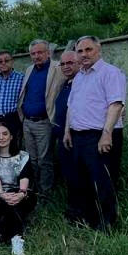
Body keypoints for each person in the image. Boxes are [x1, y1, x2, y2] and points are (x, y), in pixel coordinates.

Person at [63, 35, 126, 231]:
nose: (84, 54)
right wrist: (67, 131)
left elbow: (116, 104)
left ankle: (106, 224)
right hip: (78, 136)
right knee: (81, 180)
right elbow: (71, 106)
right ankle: (86, 219)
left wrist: (106, 134)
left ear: (99, 49)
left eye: (88, 49)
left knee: (103, 181)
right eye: (80, 51)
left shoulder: (111, 73)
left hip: (100, 135)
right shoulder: (79, 76)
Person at [17, 39, 65, 198]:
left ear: (48, 52)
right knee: (32, 159)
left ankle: (45, 194)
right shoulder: (29, 69)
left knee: (44, 160)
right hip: (27, 122)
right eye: (33, 53)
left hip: (44, 122)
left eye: (39, 52)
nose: (36, 56)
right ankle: (35, 191)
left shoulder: (58, 68)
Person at [0, 122, 35, 255]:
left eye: (5, 133)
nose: (1, 137)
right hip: (1, 193)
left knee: (15, 204)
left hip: (23, 193)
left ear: (11, 136)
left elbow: (24, 177)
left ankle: (17, 239)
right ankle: (9, 235)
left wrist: (20, 194)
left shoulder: (23, 155)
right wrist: (2, 194)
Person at [51, 51, 81, 190]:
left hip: (76, 137)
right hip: (63, 136)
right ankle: (72, 205)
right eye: (62, 64)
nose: (66, 67)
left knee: (77, 172)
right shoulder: (65, 83)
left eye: (69, 63)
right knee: (68, 170)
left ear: (79, 63)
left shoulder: (81, 82)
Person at [0, 50, 24, 148]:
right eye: (0, 61)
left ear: (12, 61)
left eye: (6, 60)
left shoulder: (21, 77)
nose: (3, 63)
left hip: (12, 118)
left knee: (14, 145)